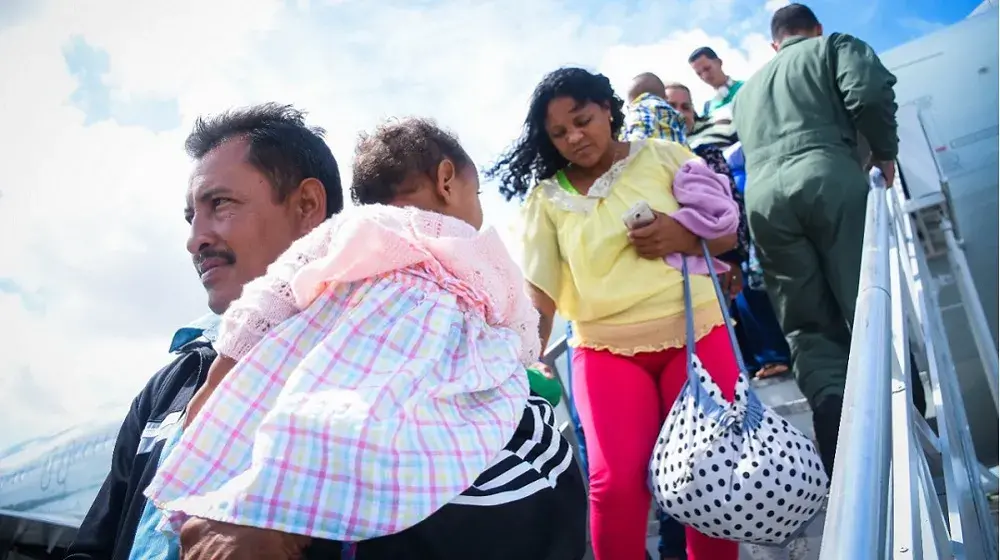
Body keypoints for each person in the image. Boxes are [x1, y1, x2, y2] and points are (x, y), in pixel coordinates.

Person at [149, 117, 587, 560]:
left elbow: (271, 297)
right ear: (447, 180)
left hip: (336, 383)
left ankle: (280, 520)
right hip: (430, 396)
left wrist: (219, 377)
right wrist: (529, 363)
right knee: (399, 457)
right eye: (478, 194)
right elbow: (520, 323)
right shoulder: (479, 251)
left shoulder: (351, 233)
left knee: (299, 440)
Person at [64, 103, 345, 560]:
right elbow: (92, 548)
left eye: (220, 204)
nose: (195, 238)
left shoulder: (389, 365)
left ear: (307, 206)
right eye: (191, 217)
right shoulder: (170, 385)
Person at [488, 67, 740, 560]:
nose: (574, 138)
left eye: (582, 120)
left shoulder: (666, 156)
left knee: (711, 474)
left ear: (608, 108)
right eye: (559, 133)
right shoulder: (546, 200)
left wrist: (683, 235)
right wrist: (524, 360)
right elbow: (540, 296)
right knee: (616, 485)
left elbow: (727, 235)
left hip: (698, 335)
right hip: (605, 352)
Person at [731, 3, 899, 475]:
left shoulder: (747, 93)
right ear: (815, 29)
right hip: (827, 174)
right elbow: (868, 92)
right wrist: (884, 153)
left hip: (765, 201)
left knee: (806, 324)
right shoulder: (834, 47)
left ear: (774, 43)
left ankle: (838, 442)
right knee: (865, 296)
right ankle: (905, 412)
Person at [663, 82, 791, 380]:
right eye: (672, 106)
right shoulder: (651, 159)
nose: (681, 113)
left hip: (725, 244)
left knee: (744, 293)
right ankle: (740, 367)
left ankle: (770, 356)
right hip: (686, 257)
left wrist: (734, 253)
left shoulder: (707, 148)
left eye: (686, 106)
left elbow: (729, 201)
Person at [623, 72, 687, 144]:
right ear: (665, 98)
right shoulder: (673, 114)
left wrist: (629, 148)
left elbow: (642, 130)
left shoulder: (642, 108)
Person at [687, 47, 744, 118]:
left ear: (719, 63)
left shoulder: (746, 88)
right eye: (699, 73)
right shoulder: (707, 109)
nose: (705, 76)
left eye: (707, 68)